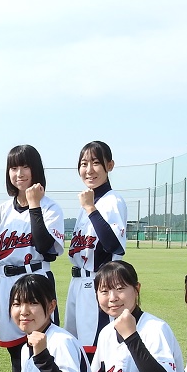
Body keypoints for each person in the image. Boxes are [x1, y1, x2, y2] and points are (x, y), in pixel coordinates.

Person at [0, 145, 65, 372]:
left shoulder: (50, 208)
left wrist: (34, 205)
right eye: (13, 167)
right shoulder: (0, 212)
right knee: (15, 352)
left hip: (37, 279)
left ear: (36, 170)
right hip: (6, 284)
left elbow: (45, 247)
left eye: (25, 166)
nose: (19, 173)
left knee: (44, 346)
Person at [65, 141, 127, 355]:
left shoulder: (112, 200)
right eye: (84, 164)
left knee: (94, 351)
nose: (89, 170)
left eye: (96, 163)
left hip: (97, 283)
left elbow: (113, 245)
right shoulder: (88, 201)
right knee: (75, 349)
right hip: (77, 283)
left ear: (110, 165)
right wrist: (89, 206)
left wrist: (91, 208)